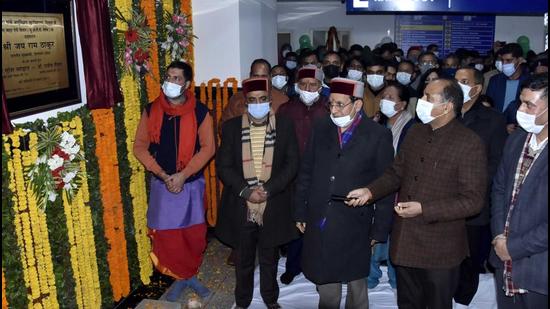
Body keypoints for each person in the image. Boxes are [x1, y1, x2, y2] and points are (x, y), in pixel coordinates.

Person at [347, 78, 488, 309]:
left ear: (447, 106)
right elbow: (395, 173)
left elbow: (473, 201)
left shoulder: (469, 143)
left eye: (428, 98)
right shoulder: (416, 133)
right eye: (422, 95)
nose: (420, 102)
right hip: (405, 242)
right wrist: (370, 190)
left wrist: (424, 209)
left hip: (440, 250)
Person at [295, 77, 395, 309]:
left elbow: (386, 184)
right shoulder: (321, 127)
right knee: (326, 282)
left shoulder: (378, 135)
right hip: (321, 215)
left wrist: (379, 229)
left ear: (358, 104)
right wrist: (300, 211)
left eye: (341, 104)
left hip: (356, 221)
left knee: (356, 285)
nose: (334, 109)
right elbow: (306, 171)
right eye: (331, 103)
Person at [133, 61, 216, 301]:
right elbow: (139, 147)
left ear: (187, 84)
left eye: (177, 78)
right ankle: (179, 276)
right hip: (162, 184)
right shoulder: (151, 110)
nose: (171, 82)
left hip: (190, 183)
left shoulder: (201, 112)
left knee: (192, 234)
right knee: (167, 236)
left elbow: (208, 148)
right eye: (169, 77)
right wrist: (161, 173)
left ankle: (189, 274)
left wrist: (184, 174)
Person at [215, 77, 299, 309]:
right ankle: (242, 302)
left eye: (262, 99)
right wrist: (245, 191)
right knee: (243, 260)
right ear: (246, 102)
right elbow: (224, 166)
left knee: (269, 258)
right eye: (252, 100)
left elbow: (292, 164)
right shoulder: (231, 128)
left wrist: (269, 189)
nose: (258, 104)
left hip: (273, 203)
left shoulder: (284, 125)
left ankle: (270, 300)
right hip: (242, 204)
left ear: (270, 100)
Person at [490, 74, 548, 309]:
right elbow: (499, 189)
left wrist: (514, 248)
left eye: (529, 105)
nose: (520, 110)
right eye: (521, 102)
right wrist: (498, 238)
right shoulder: (516, 140)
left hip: (539, 268)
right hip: (504, 260)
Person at [453, 67, 508, 307]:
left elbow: (496, 162)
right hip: (441, 201)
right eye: (455, 80)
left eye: (463, 82)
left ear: (476, 88)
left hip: (473, 202)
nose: (457, 86)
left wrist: (469, 186)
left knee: (470, 259)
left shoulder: (493, 119)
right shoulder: (444, 113)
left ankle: (463, 300)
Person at [277, 65, 330, 285]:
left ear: (321, 86)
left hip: (321, 176)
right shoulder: (286, 109)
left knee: (319, 226)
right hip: (293, 177)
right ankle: (293, 266)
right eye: (304, 84)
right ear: (298, 86)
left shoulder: (329, 109)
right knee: (295, 223)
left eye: (313, 84)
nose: (308, 88)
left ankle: (320, 271)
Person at [368, 81, 416, 290]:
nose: (384, 101)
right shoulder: (381, 124)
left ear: (402, 104)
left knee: (397, 237)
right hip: (380, 185)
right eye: (383, 96)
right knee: (375, 232)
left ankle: (397, 280)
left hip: (400, 190)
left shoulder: (411, 127)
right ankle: (371, 275)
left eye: (390, 97)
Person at [221, 59, 289, 124]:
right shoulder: (237, 98)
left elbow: (286, 127)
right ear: (250, 76)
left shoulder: (283, 100)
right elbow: (224, 126)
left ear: (270, 77)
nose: (259, 80)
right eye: (256, 76)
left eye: (263, 76)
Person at [486, 43, 530, 114]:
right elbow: (488, 105)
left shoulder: (529, 81)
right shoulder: (495, 80)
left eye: (509, 60)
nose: (504, 64)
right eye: (502, 60)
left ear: (520, 60)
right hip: (497, 122)